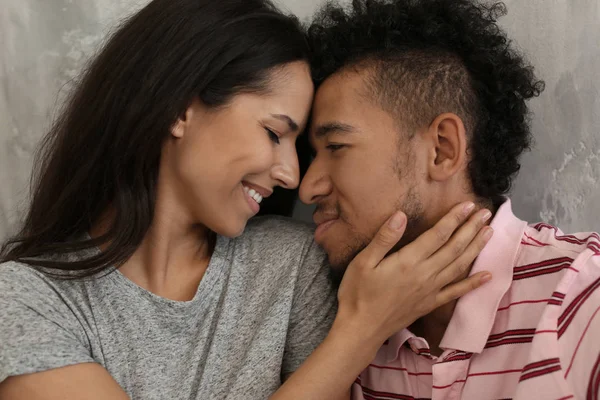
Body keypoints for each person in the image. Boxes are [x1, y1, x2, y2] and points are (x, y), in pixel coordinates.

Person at [0, 0, 494, 399]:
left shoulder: (293, 265)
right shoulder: (28, 298)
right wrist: (360, 331)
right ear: (178, 110)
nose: (292, 177)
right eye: (275, 133)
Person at [302, 0, 600, 399]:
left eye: (336, 146)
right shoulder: (343, 326)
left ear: (442, 149)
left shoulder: (581, 295)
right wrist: (356, 334)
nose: (307, 188)